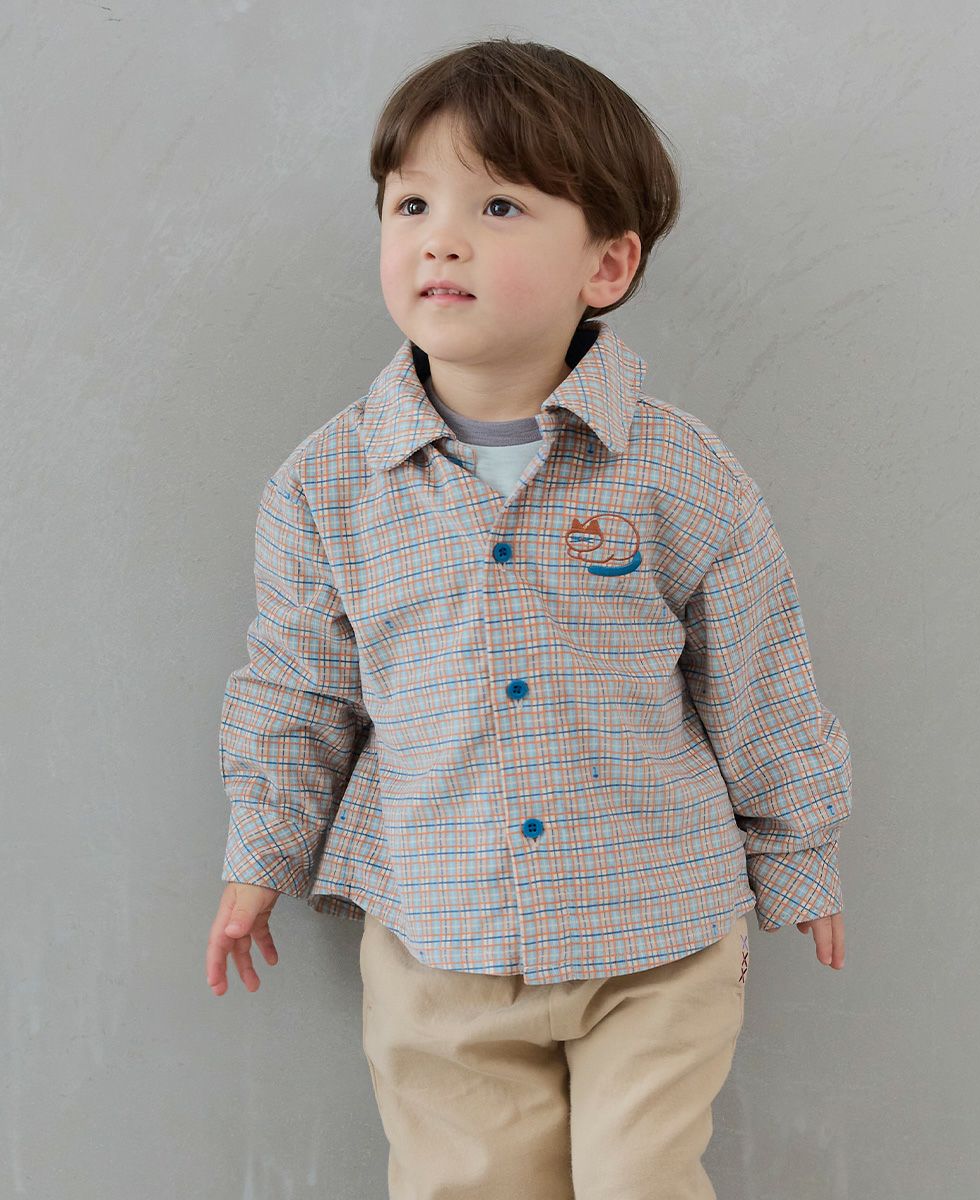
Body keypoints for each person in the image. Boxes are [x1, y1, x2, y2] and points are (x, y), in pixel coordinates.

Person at [205, 36, 853, 1200]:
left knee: (640, 1180)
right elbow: (298, 691)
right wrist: (262, 850)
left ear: (605, 264)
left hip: (657, 931)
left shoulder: (678, 472)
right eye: (411, 204)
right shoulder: (324, 485)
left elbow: (758, 674)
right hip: (438, 933)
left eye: (498, 205)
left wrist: (797, 852)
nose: (440, 238)